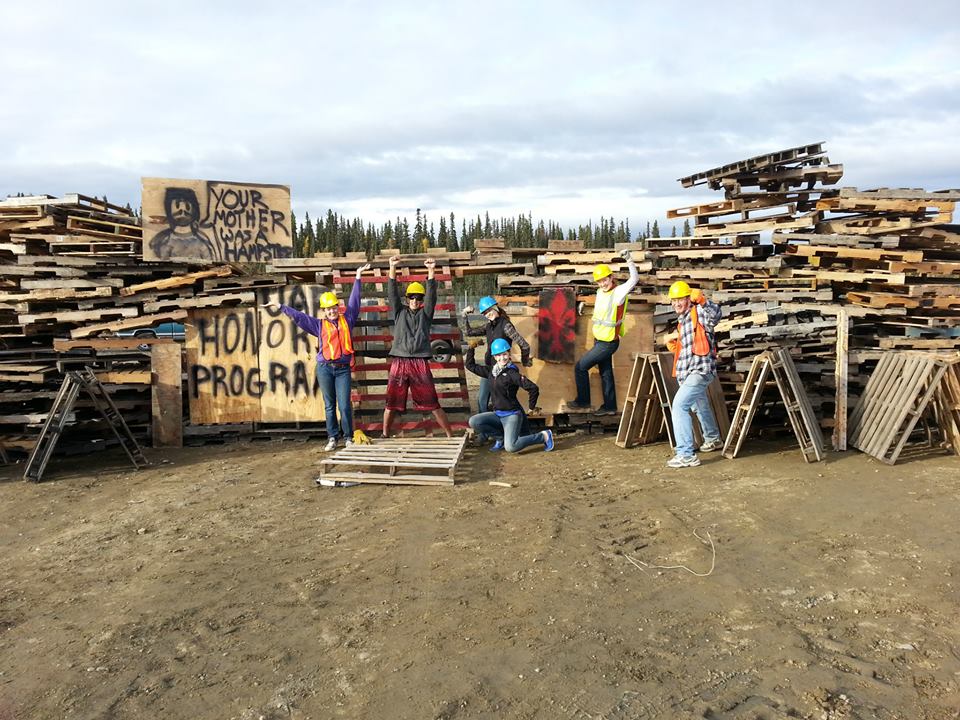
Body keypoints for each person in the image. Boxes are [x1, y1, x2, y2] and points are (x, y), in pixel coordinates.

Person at [265, 263, 371, 451]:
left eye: (334, 307)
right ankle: (332, 437)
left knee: (345, 405)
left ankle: (347, 437)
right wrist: (281, 306)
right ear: (324, 310)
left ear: (338, 308)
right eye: (328, 309)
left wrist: (358, 277)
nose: (331, 311)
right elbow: (299, 317)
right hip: (324, 369)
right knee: (330, 406)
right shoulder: (319, 325)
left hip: (343, 369)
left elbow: (355, 301)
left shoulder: (347, 320)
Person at [382, 255, 454, 438]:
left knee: (432, 401)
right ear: (406, 299)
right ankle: (384, 434)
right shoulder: (399, 312)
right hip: (399, 361)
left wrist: (431, 270)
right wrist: (392, 267)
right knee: (391, 402)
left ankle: (449, 435)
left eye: (418, 298)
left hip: (420, 362)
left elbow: (432, 295)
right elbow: (391, 292)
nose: (415, 300)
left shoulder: (426, 314)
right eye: (411, 297)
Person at [566, 248, 639, 415]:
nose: (602, 283)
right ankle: (610, 407)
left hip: (608, 343)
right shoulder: (600, 292)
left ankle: (583, 401)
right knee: (606, 373)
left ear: (611, 278)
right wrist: (584, 305)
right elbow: (603, 309)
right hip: (600, 340)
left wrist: (629, 260)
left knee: (580, 368)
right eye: (599, 281)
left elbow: (635, 279)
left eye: (604, 280)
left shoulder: (618, 292)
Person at [664, 280, 723, 468]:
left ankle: (686, 454)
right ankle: (713, 438)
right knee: (700, 405)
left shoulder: (699, 312)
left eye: (679, 299)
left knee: (679, 406)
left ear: (689, 298)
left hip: (699, 371)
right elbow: (691, 346)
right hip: (689, 372)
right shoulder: (683, 321)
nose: (676, 304)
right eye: (673, 301)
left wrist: (704, 301)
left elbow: (716, 316)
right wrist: (677, 347)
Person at [466, 338, 554, 453]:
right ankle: (500, 438)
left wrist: (531, 407)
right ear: (494, 357)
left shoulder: (512, 374)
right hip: (497, 414)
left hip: (511, 415)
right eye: (498, 355)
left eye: (504, 354)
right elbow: (470, 366)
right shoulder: (491, 372)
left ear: (509, 353)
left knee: (511, 447)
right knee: (474, 421)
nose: (502, 358)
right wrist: (471, 349)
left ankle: (544, 436)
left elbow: (533, 388)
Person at [460, 295, 531, 413]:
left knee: (501, 401)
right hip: (490, 369)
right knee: (482, 400)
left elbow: (524, 345)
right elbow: (469, 332)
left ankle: (511, 423)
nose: (488, 314)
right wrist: (464, 314)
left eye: (489, 310)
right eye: (485, 313)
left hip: (503, 370)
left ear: (495, 307)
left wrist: (525, 361)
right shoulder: (489, 326)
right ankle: (485, 429)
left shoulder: (506, 326)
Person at [149, 187, 218, 261]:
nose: (182, 210)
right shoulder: (162, 240)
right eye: (177, 205)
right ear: (168, 209)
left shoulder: (202, 242)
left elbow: (209, 258)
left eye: (187, 205)